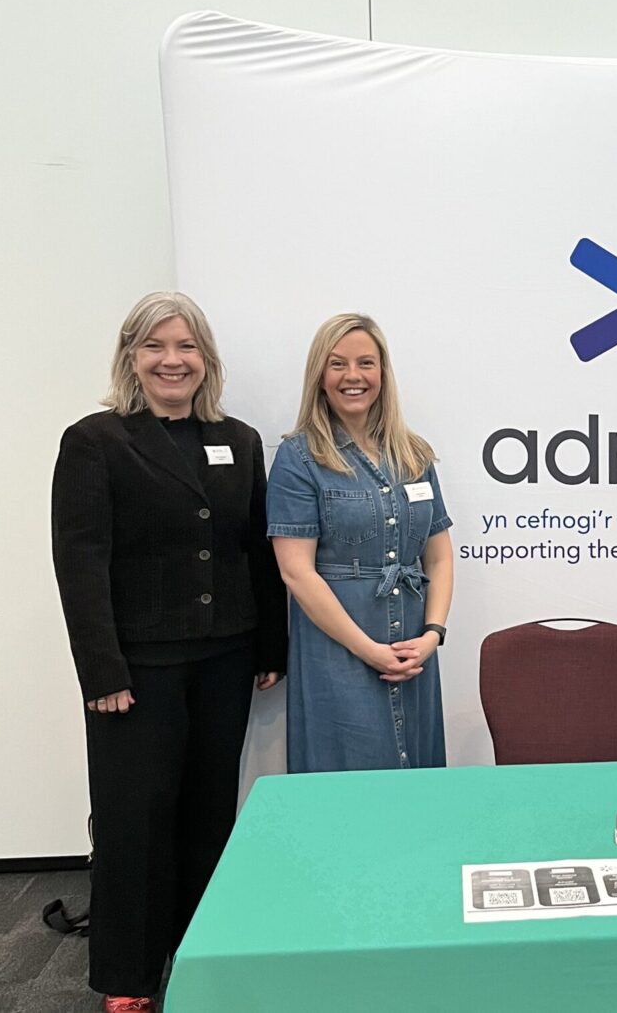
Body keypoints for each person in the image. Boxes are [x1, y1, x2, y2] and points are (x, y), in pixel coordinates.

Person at [51, 292, 287, 1012]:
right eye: (156, 346)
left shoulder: (239, 440)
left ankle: (196, 956)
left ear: (205, 360)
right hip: (137, 668)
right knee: (133, 822)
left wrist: (269, 644)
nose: (172, 360)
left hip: (224, 655)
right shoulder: (96, 440)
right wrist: (102, 670)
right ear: (132, 357)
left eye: (186, 347)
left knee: (208, 813)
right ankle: (126, 976)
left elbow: (257, 551)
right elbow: (80, 561)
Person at [267, 313, 453, 772]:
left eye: (366, 363)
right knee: (349, 780)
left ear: (383, 374)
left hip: (414, 646)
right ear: (320, 377)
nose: (354, 376)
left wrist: (433, 634)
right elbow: (296, 571)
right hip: (338, 648)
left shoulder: (414, 454)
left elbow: (440, 554)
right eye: (338, 364)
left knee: (416, 778)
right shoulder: (298, 457)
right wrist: (368, 648)